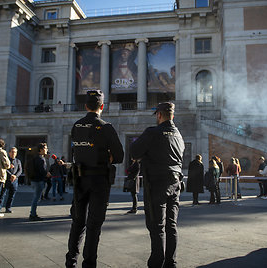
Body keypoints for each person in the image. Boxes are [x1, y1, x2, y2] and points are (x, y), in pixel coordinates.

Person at [65, 90, 124, 268]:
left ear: (86, 106)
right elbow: (120, 156)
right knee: (94, 224)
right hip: (99, 180)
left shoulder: (76, 125)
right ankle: (89, 264)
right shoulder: (106, 127)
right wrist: (108, 156)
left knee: (77, 222)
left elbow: (76, 151)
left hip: (80, 179)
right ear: (102, 106)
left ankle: (71, 262)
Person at [131, 102, 185, 268]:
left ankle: (156, 262)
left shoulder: (152, 132)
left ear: (159, 115)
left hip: (156, 184)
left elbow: (134, 152)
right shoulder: (178, 135)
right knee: (171, 225)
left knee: (157, 226)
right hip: (175, 183)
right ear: (172, 116)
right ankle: (171, 262)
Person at [29, 143, 51, 221]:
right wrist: (46, 174)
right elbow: (41, 170)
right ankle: (33, 214)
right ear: (41, 150)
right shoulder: (40, 159)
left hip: (35, 180)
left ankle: (33, 213)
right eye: (45, 148)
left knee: (36, 197)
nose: (47, 150)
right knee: (36, 198)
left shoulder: (36, 158)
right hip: (39, 180)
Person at [0, 147, 22, 213]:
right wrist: (10, 175)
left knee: (12, 195)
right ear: (9, 153)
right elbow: (4, 168)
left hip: (14, 180)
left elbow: (20, 170)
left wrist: (15, 176)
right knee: (2, 194)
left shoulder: (18, 161)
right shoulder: (6, 160)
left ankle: (8, 207)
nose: (13, 153)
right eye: (12, 152)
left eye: (14, 152)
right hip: (6, 179)